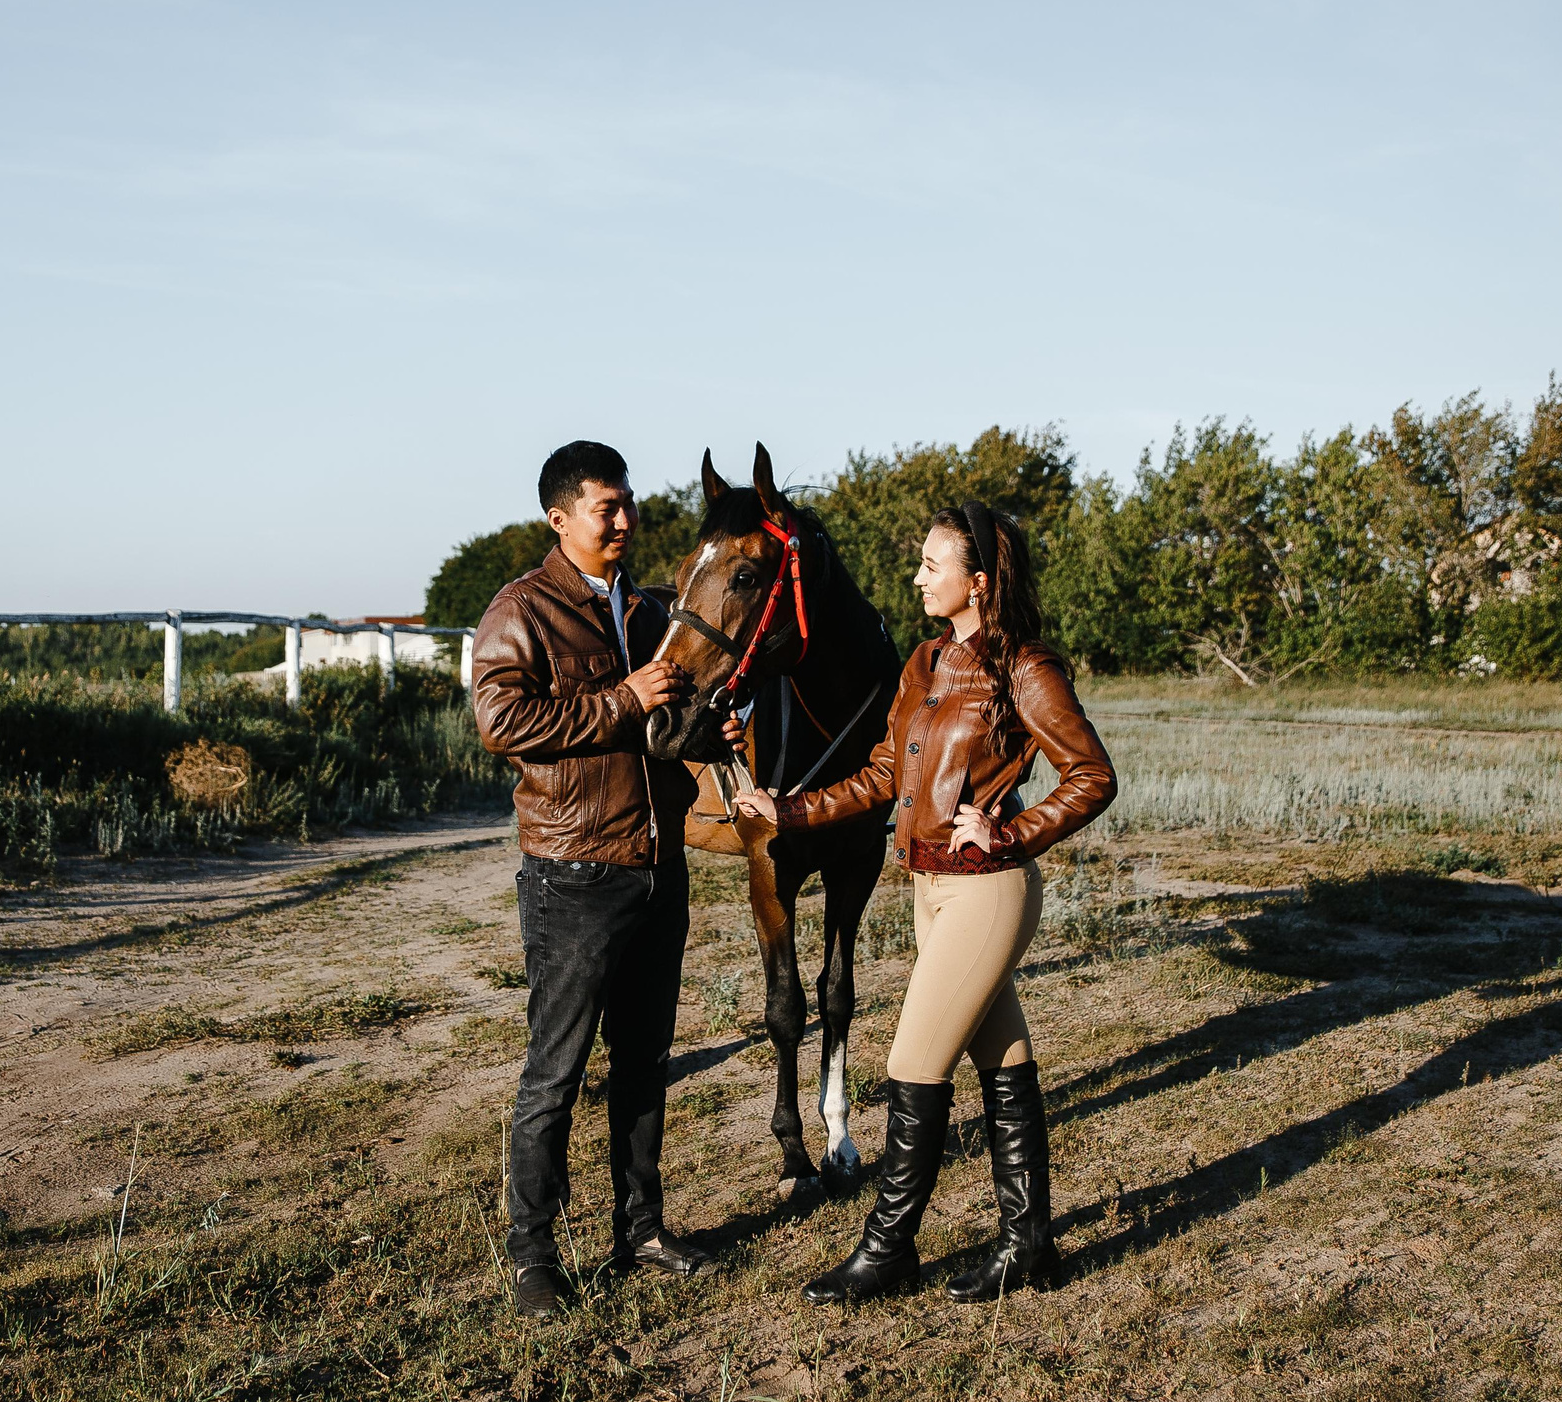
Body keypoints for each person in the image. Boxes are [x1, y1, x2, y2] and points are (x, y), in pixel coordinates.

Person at [735, 501, 1115, 1305]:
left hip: (987, 891)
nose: (917, 576)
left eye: (931, 564)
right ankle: (1030, 1244)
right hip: (931, 888)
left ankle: (887, 1250)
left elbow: (1093, 774)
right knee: (1002, 1063)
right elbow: (883, 774)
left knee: (912, 1063)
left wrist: (1018, 832)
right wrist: (792, 809)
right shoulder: (924, 663)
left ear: (977, 582)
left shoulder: (1025, 667)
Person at [471, 439, 737, 1317]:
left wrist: (709, 736)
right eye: (606, 507)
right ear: (560, 517)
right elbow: (502, 719)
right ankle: (533, 1254)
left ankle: (643, 1229)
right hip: (574, 872)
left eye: (629, 504)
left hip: (661, 866)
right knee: (556, 1068)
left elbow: (667, 728)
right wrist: (626, 695)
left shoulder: (656, 608)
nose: (625, 520)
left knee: (645, 1062)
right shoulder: (522, 610)